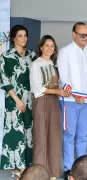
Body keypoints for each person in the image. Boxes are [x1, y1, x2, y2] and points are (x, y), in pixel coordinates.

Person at [57, 22, 87, 180]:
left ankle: (82, 169)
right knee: (69, 135)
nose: (85, 37)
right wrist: (74, 95)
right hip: (70, 101)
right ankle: (68, 168)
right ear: (74, 34)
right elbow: (64, 77)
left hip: (86, 102)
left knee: (83, 136)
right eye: (82, 35)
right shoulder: (65, 52)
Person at [30, 35, 70, 180]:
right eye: (46, 45)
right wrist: (57, 91)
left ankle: (53, 173)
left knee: (54, 137)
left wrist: (63, 91)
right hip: (41, 101)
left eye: (52, 46)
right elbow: (37, 88)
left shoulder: (54, 66)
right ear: (41, 47)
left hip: (54, 102)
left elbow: (57, 85)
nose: (49, 48)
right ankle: (39, 174)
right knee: (41, 137)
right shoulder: (36, 64)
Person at [0, 24, 36, 176]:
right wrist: (17, 100)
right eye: (20, 35)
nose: (23, 38)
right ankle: (18, 166)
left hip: (30, 99)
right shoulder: (6, 56)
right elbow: (5, 80)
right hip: (13, 100)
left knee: (28, 132)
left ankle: (27, 165)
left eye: (25, 35)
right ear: (13, 37)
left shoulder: (32, 55)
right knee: (16, 132)